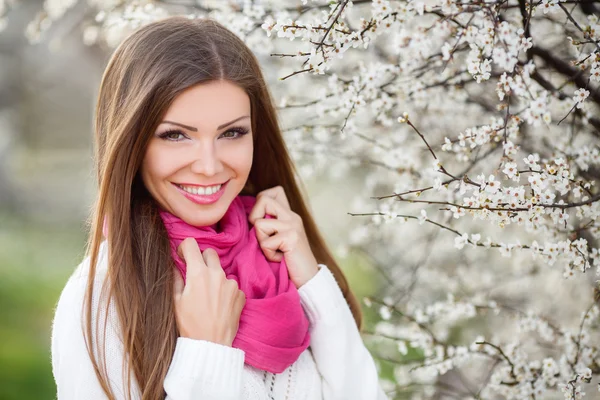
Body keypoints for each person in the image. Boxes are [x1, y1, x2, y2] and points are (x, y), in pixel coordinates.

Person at [50, 15, 388, 400]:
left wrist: (310, 280)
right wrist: (207, 355)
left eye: (232, 133)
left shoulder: (277, 257)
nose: (209, 165)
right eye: (175, 135)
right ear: (132, 143)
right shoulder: (102, 300)